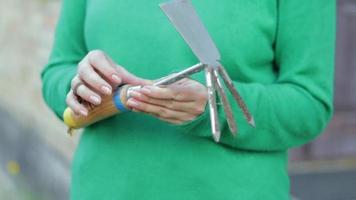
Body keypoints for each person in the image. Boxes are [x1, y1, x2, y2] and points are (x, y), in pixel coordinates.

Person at [41, 0, 335, 199]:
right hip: (103, 189)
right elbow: (57, 71)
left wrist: (214, 106)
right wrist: (80, 87)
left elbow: (309, 102)